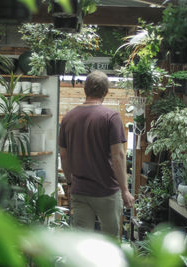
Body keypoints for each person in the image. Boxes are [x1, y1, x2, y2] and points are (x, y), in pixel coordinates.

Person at [58, 70, 135, 237]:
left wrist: (71, 183)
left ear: (85, 90)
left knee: (81, 243)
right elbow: (118, 156)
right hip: (107, 191)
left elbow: (64, 156)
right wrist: (125, 190)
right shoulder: (110, 117)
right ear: (106, 92)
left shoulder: (68, 118)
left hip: (80, 191)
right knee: (110, 242)